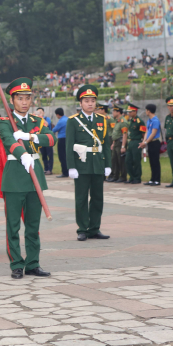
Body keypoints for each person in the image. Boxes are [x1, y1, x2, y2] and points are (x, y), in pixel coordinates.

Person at [0, 77, 53, 279]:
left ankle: (33, 263)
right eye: (20, 98)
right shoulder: (5, 122)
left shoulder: (37, 122)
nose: (24, 102)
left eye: (27, 98)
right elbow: (8, 141)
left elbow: (51, 139)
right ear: (12, 100)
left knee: (33, 225)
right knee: (13, 225)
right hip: (14, 176)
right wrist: (22, 154)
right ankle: (16, 264)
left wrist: (31, 137)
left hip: (34, 177)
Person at [66, 85, 111, 242]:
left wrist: (108, 164)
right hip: (81, 164)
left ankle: (94, 228)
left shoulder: (102, 120)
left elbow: (106, 144)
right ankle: (82, 228)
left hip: (98, 163)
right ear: (81, 103)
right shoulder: (73, 121)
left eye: (93, 101)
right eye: (86, 101)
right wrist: (71, 167)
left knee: (98, 197)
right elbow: (69, 145)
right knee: (81, 198)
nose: (90, 104)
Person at [140, 104, 162, 186]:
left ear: (149, 111)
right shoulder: (149, 120)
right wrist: (144, 141)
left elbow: (153, 133)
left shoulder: (155, 120)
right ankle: (152, 179)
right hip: (150, 142)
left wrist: (145, 142)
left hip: (155, 142)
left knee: (156, 161)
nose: (146, 112)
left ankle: (157, 180)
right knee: (151, 161)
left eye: (146, 110)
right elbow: (147, 132)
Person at [124, 104, 146, 184]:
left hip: (137, 142)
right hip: (131, 142)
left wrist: (144, 142)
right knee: (128, 161)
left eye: (130, 112)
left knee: (136, 161)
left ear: (135, 112)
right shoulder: (131, 121)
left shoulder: (140, 121)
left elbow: (144, 133)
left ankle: (137, 178)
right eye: (128, 112)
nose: (129, 113)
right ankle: (131, 177)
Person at [107, 107, 128, 183]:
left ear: (118, 112)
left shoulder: (123, 122)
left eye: (114, 111)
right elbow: (114, 133)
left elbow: (124, 135)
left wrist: (123, 146)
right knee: (114, 160)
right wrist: (113, 143)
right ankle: (115, 176)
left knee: (121, 160)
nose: (113, 112)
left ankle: (123, 176)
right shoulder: (117, 121)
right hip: (115, 142)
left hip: (120, 142)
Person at [36, 108, 53, 175]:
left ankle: (50, 169)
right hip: (41, 140)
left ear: (43, 112)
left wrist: (41, 117)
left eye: (41, 112)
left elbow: (47, 124)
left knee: (50, 155)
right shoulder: (37, 120)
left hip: (48, 140)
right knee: (44, 155)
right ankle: (46, 168)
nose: (40, 113)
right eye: (38, 112)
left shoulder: (46, 118)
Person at [53, 108, 68, 178]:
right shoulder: (67, 119)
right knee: (67, 156)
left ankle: (64, 172)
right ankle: (68, 171)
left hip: (62, 139)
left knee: (62, 156)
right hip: (68, 139)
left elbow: (54, 130)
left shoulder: (61, 121)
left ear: (58, 114)